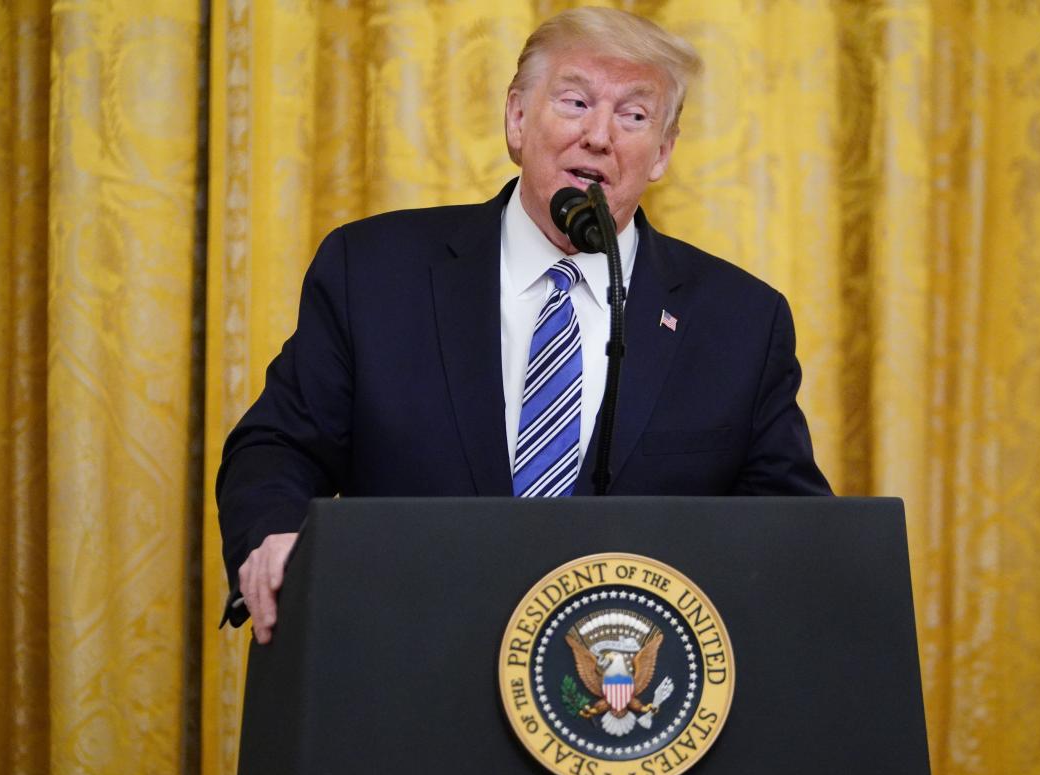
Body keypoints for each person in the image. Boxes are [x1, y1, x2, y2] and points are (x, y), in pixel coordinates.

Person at [218, 7, 831, 643]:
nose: (600, 136)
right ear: (517, 119)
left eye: (634, 115)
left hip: (627, 704)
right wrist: (274, 539)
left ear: (662, 154)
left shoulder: (739, 322)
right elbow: (278, 448)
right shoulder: (374, 273)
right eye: (575, 102)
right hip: (406, 662)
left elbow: (789, 532)